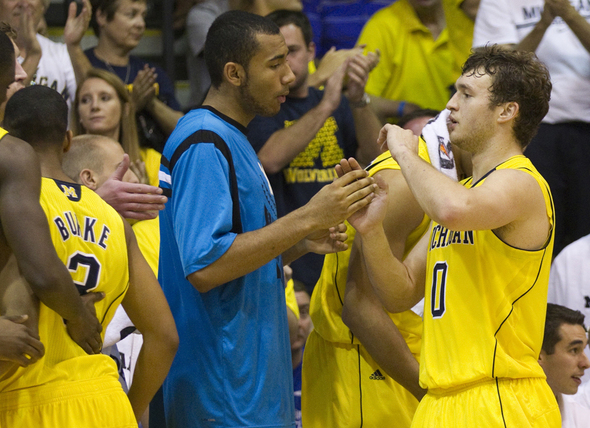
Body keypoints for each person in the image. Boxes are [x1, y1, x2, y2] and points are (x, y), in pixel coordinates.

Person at [157, 10, 377, 428]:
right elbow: (204, 267)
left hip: (250, 389)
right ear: (234, 73)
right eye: (275, 64)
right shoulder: (204, 143)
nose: (291, 77)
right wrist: (307, 216)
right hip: (221, 394)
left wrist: (304, 239)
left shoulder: (232, 137)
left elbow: (239, 255)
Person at [351, 45, 559, 426]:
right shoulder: (466, 192)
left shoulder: (521, 182)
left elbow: (454, 210)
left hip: (499, 397)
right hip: (440, 399)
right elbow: (400, 292)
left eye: (465, 94)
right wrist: (370, 231)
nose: (449, 105)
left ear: (506, 111)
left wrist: (405, 153)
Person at [0, 84, 178, 426]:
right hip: (106, 401)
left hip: (28, 401)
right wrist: (127, 406)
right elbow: (165, 337)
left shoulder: (16, 209)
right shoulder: (114, 219)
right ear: (67, 140)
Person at [302, 109, 453, 428]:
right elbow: (360, 308)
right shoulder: (403, 182)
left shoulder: (449, 180)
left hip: (409, 357)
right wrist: (427, 395)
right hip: (370, 365)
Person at [248, 9, 381, 291]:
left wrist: (357, 100)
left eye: (292, 51)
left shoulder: (337, 103)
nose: (287, 64)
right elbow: (269, 160)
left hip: (338, 255)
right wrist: (325, 106)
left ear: (311, 50)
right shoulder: (262, 106)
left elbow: (371, 158)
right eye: (277, 56)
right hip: (285, 260)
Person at [0, 29, 102, 371]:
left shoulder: (14, 151)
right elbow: (41, 270)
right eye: (13, 60)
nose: (21, 71)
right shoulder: (13, 154)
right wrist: (79, 316)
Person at [473, 0, 590, 256]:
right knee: (539, 234)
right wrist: (543, 23)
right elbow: (496, 72)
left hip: (586, 128)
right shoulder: (498, 3)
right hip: (530, 132)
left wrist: (570, 15)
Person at [87, 0, 182, 152]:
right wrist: (131, 104)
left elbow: (182, 130)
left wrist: (150, 103)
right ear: (102, 16)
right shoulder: (84, 65)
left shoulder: (150, 72)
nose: (141, 24)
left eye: (143, 16)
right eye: (131, 15)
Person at [356, 0, 474, 121]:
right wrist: (404, 108)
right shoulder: (382, 26)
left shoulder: (469, 18)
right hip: (405, 132)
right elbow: (358, 97)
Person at [71, 68, 161, 186]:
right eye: (85, 100)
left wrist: (144, 194)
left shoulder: (152, 161)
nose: (95, 106)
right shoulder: (65, 163)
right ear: (79, 114)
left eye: (105, 98)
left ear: (125, 109)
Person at [0, 0, 93, 107]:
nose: (23, 3)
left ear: (43, 7)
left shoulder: (62, 52)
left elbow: (94, 97)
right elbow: (3, 105)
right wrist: (33, 56)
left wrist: (74, 47)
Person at [539, 304, 590, 427]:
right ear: (539, 355)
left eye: (584, 349)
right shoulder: (498, 414)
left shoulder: (583, 418)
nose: (586, 364)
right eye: (574, 350)